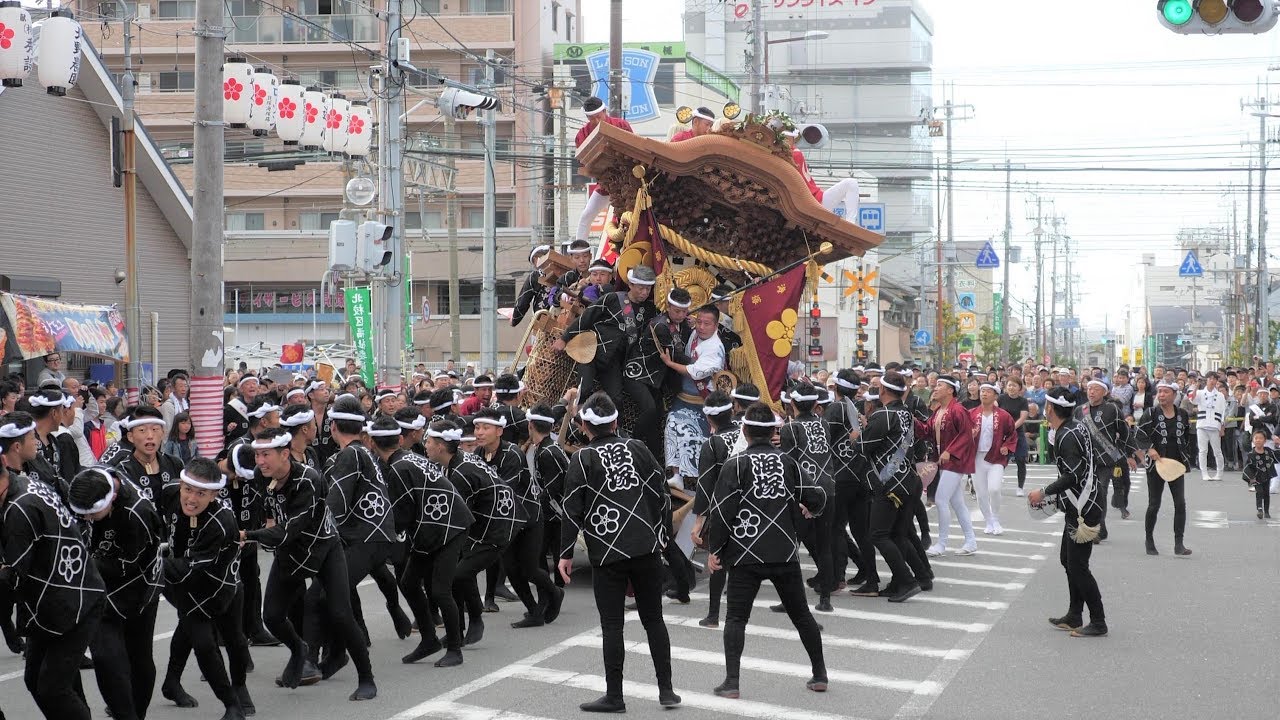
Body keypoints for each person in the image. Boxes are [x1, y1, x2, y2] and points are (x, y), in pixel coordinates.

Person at [557, 392, 679, 713]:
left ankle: (615, 696)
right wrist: (661, 535)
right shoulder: (637, 447)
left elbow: (571, 509)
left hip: (607, 552)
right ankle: (666, 690)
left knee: (612, 625)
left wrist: (565, 553)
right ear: (615, 423)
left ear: (585, 426)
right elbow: (662, 494)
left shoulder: (582, 458)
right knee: (654, 619)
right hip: (645, 547)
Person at [704, 402, 829, 700]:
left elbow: (721, 512)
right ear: (774, 431)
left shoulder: (736, 464)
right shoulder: (788, 462)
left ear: (745, 431)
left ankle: (732, 682)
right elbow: (816, 496)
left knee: (736, 618)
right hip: (784, 550)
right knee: (801, 615)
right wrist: (809, 509)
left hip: (745, 552)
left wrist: (715, 549)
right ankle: (820, 674)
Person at [245, 427, 378, 701]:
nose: (260, 461)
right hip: (290, 551)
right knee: (272, 616)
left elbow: (288, 529)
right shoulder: (261, 475)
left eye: (266, 454)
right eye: (257, 455)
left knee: (341, 613)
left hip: (323, 548)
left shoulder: (308, 479)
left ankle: (367, 678)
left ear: (285, 454)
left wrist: (248, 536)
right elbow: (268, 515)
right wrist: (258, 528)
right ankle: (299, 650)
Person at [0, 422, 105, 720]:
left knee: (52, 688)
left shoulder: (19, 509)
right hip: (51, 600)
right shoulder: (22, 484)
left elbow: (12, 577)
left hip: (72, 601)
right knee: (37, 681)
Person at [309, 397, 401, 673]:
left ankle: (320, 659)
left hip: (367, 537)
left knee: (321, 596)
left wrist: (314, 536)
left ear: (333, 427)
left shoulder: (349, 455)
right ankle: (331, 654)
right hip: (372, 535)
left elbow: (336, 503)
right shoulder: (366, 452)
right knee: (328, 595)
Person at [157, 457, 253, 719]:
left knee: (235, 640)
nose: (191, 498)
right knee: (203, 643)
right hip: (184, 584)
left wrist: (149, 563)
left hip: (221, 584)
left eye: (201, 493)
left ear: (213, 494)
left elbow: (191, 566)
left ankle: (239, 686)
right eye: (188, 489)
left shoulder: (221, 522)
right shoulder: (170, 493)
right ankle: (231, 705)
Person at [371, 416, 471, 667]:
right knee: (409, 582)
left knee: (440, 590)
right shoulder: (405, 459)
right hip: (432, 529)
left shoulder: (398, 468)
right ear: (399, 439)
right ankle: (429, 639)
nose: (426, 444)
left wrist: (379, 538)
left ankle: (455, 648)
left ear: (372, 443)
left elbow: (401, 514)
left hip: (450, 526)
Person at [67, 466, 164, 720]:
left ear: (111, 498)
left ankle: (137, 713)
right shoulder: (90, 482)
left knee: (139, 658)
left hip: (138, 585)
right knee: (105, 658)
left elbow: (128, 565)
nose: (87, 519)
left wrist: (86, 562)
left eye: (92, 513)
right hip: (97, 590)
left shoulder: (138, 513)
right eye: (82, 514)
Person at [1027, 387, 1107, 638]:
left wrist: (1044, 492)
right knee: (1068, 560)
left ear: (1050, 408)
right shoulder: (1072, 427)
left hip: (1084, 507)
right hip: (1081, 503)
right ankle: (1074, 614)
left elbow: (1073, 475)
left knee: (1078, 565)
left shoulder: (1067, 435)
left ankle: (1098, 620)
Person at [472, 408, 562, 628]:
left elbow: (502, 491)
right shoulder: (478, 454)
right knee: (511, 569)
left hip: (527, 518)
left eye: (485, 427)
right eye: (477, 427)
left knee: (530, 569)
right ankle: (534, 612)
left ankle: (555, 592)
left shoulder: (512, 454)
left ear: (499, 431)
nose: (479, 432)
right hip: (505, 521)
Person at [856, 371, 933, 600]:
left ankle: (907, 581)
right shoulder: (906, 412)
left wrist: (857, 433)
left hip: (889, 482)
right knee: (898, 534)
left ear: (882, 390)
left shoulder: (884, 415)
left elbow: (861, 446)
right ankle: (920, 576)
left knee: (878, 535)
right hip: (907, 479)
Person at [554, 265, 659, 402]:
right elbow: (586, 317)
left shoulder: (650, 310)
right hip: (592, 351)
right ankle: (564, 411)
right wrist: (564, 338)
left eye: (648, 289)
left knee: (617, 398)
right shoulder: (612, 298)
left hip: (614, 362)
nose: (645, 292)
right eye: (641, 288)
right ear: (631, 285)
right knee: (583, 390)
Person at [778, 382, 838, 612]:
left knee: (791, 546)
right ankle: (825, 600)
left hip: (804, 491)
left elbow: (788, 464)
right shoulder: (824, 423)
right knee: (824, 545)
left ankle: (790, 600)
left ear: (792, 403)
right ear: (815, 404)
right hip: (827, 488)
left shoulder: (790, 429)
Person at [660, 305, 727, 489]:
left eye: (707, 324)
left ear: (716, 326)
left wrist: (669, 363)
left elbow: (694, 372)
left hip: (702, 401)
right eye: (699, 322)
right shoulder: (696, 333)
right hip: (684, 397)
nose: (701, 327)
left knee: (692, 438)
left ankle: (696, 481)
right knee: (671, 428)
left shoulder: (715, 348)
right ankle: (676, 475)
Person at [623, 287, 692, 462]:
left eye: (684, 311)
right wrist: (700, 364)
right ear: (668, 306)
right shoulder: (661, 325)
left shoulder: (682, 323)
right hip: (637, 374)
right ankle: (628, 445)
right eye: (677, 311)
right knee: (650, 410)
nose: (681, 315)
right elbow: (675, 355)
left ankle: (655, 461)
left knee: (657, 419)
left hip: (654, 379)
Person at [689, 390, 738, 627]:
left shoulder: (712, 444)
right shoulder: (745, 434)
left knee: (717, 559)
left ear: (708, 418)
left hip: (723, 509)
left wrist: (699, 522)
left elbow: (705, 485)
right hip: (750, 508)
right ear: (732, 411)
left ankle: (713, 615)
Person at [1137, 381, 1195, 557]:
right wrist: (1149, 448)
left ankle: (1179, 543)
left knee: (1180, 503)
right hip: (1156, 464)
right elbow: (1139, 434)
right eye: (1159, 392)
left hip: (1175, 465)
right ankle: (1149, 540)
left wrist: (1184, 456)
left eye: (1165, 392)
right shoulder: (1151, 413)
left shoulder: (1182, 414)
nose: (1161, 395)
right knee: (1154, 503)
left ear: (1174, 395)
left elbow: (1186, 437)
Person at [925, 375, 977, 556]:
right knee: (957, 502)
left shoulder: (958, 409)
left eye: (940, 385)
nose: (935, 388)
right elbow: (927, 431)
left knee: (940, 500)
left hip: (956, 460)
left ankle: (941, 544)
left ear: (950, 390)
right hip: (945, 460)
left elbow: (966, 435)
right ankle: (971, 541)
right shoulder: (939, 410)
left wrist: (950, 451)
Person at [574, 96, 635, 243]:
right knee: (586, 216)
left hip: (630, 182)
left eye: (598, 117)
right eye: (592, 118)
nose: (596, 121)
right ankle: (579, 249)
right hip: (606, 183)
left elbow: (634, 148)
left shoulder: (621, 125)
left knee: (634, 217)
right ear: (587, 117)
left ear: (604, 112)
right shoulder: (582, 134)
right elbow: (584, 161)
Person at [971, 383, 1017, 536]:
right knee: (981, 493)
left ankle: (995, 518)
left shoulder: (1003, 415)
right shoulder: (971, 414)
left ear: (995, 396)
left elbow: (1012, 434)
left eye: (988, 391)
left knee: (995, 489)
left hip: (995, 457)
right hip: (976, 458)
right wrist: (970, 435)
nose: (984, 394)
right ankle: (988, 521)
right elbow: (961, 434)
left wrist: (1006, 446)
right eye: (982, 391)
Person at [1189, 372, 1227, 481]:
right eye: (1210, 379)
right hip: (1202, 424)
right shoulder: (1200, 393)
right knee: (1202, 450)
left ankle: (1219, 473)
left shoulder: (1220, 395)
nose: (1212, 381)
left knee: (1217, 451)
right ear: (1207, 380)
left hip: (1215, 425)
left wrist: (1222, 426)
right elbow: (1192, 399)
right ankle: (1204, 473)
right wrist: (1197, 385)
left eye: (1214, 379)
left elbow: (1223, 411)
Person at [998, 377, 1031, 496]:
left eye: (1014, 385)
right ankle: (996, 483)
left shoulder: (1023, 401)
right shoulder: (1001, 398)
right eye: (1009, 385)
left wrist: (1011, 428)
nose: (1011, 388)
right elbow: (995, 412)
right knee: (1002, 460)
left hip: (1018, 433)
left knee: (1020, 459)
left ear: (1020, 388)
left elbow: (1023, 418)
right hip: (1002, 434)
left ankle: (1020, 487)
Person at [511, 245, 552, 326]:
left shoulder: (535, 276)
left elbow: (523, 301)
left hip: (544, 321)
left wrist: (514, 319)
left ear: (536, 259)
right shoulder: (566, 270)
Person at [1241, 429, 1275, 519]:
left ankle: (1266, 511)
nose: (1258, 440)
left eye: (1260, 438)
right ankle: (1260, 510)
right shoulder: (1251, 454)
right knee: (1259, 492)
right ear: (1253, 440)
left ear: (1265, 440)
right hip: (1256, 477)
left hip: (1267, 476)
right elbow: (1247, 467)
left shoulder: (1268, 451)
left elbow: (1276, 455)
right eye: (1256, 438)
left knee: (1266, 493)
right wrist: (1251, 478)